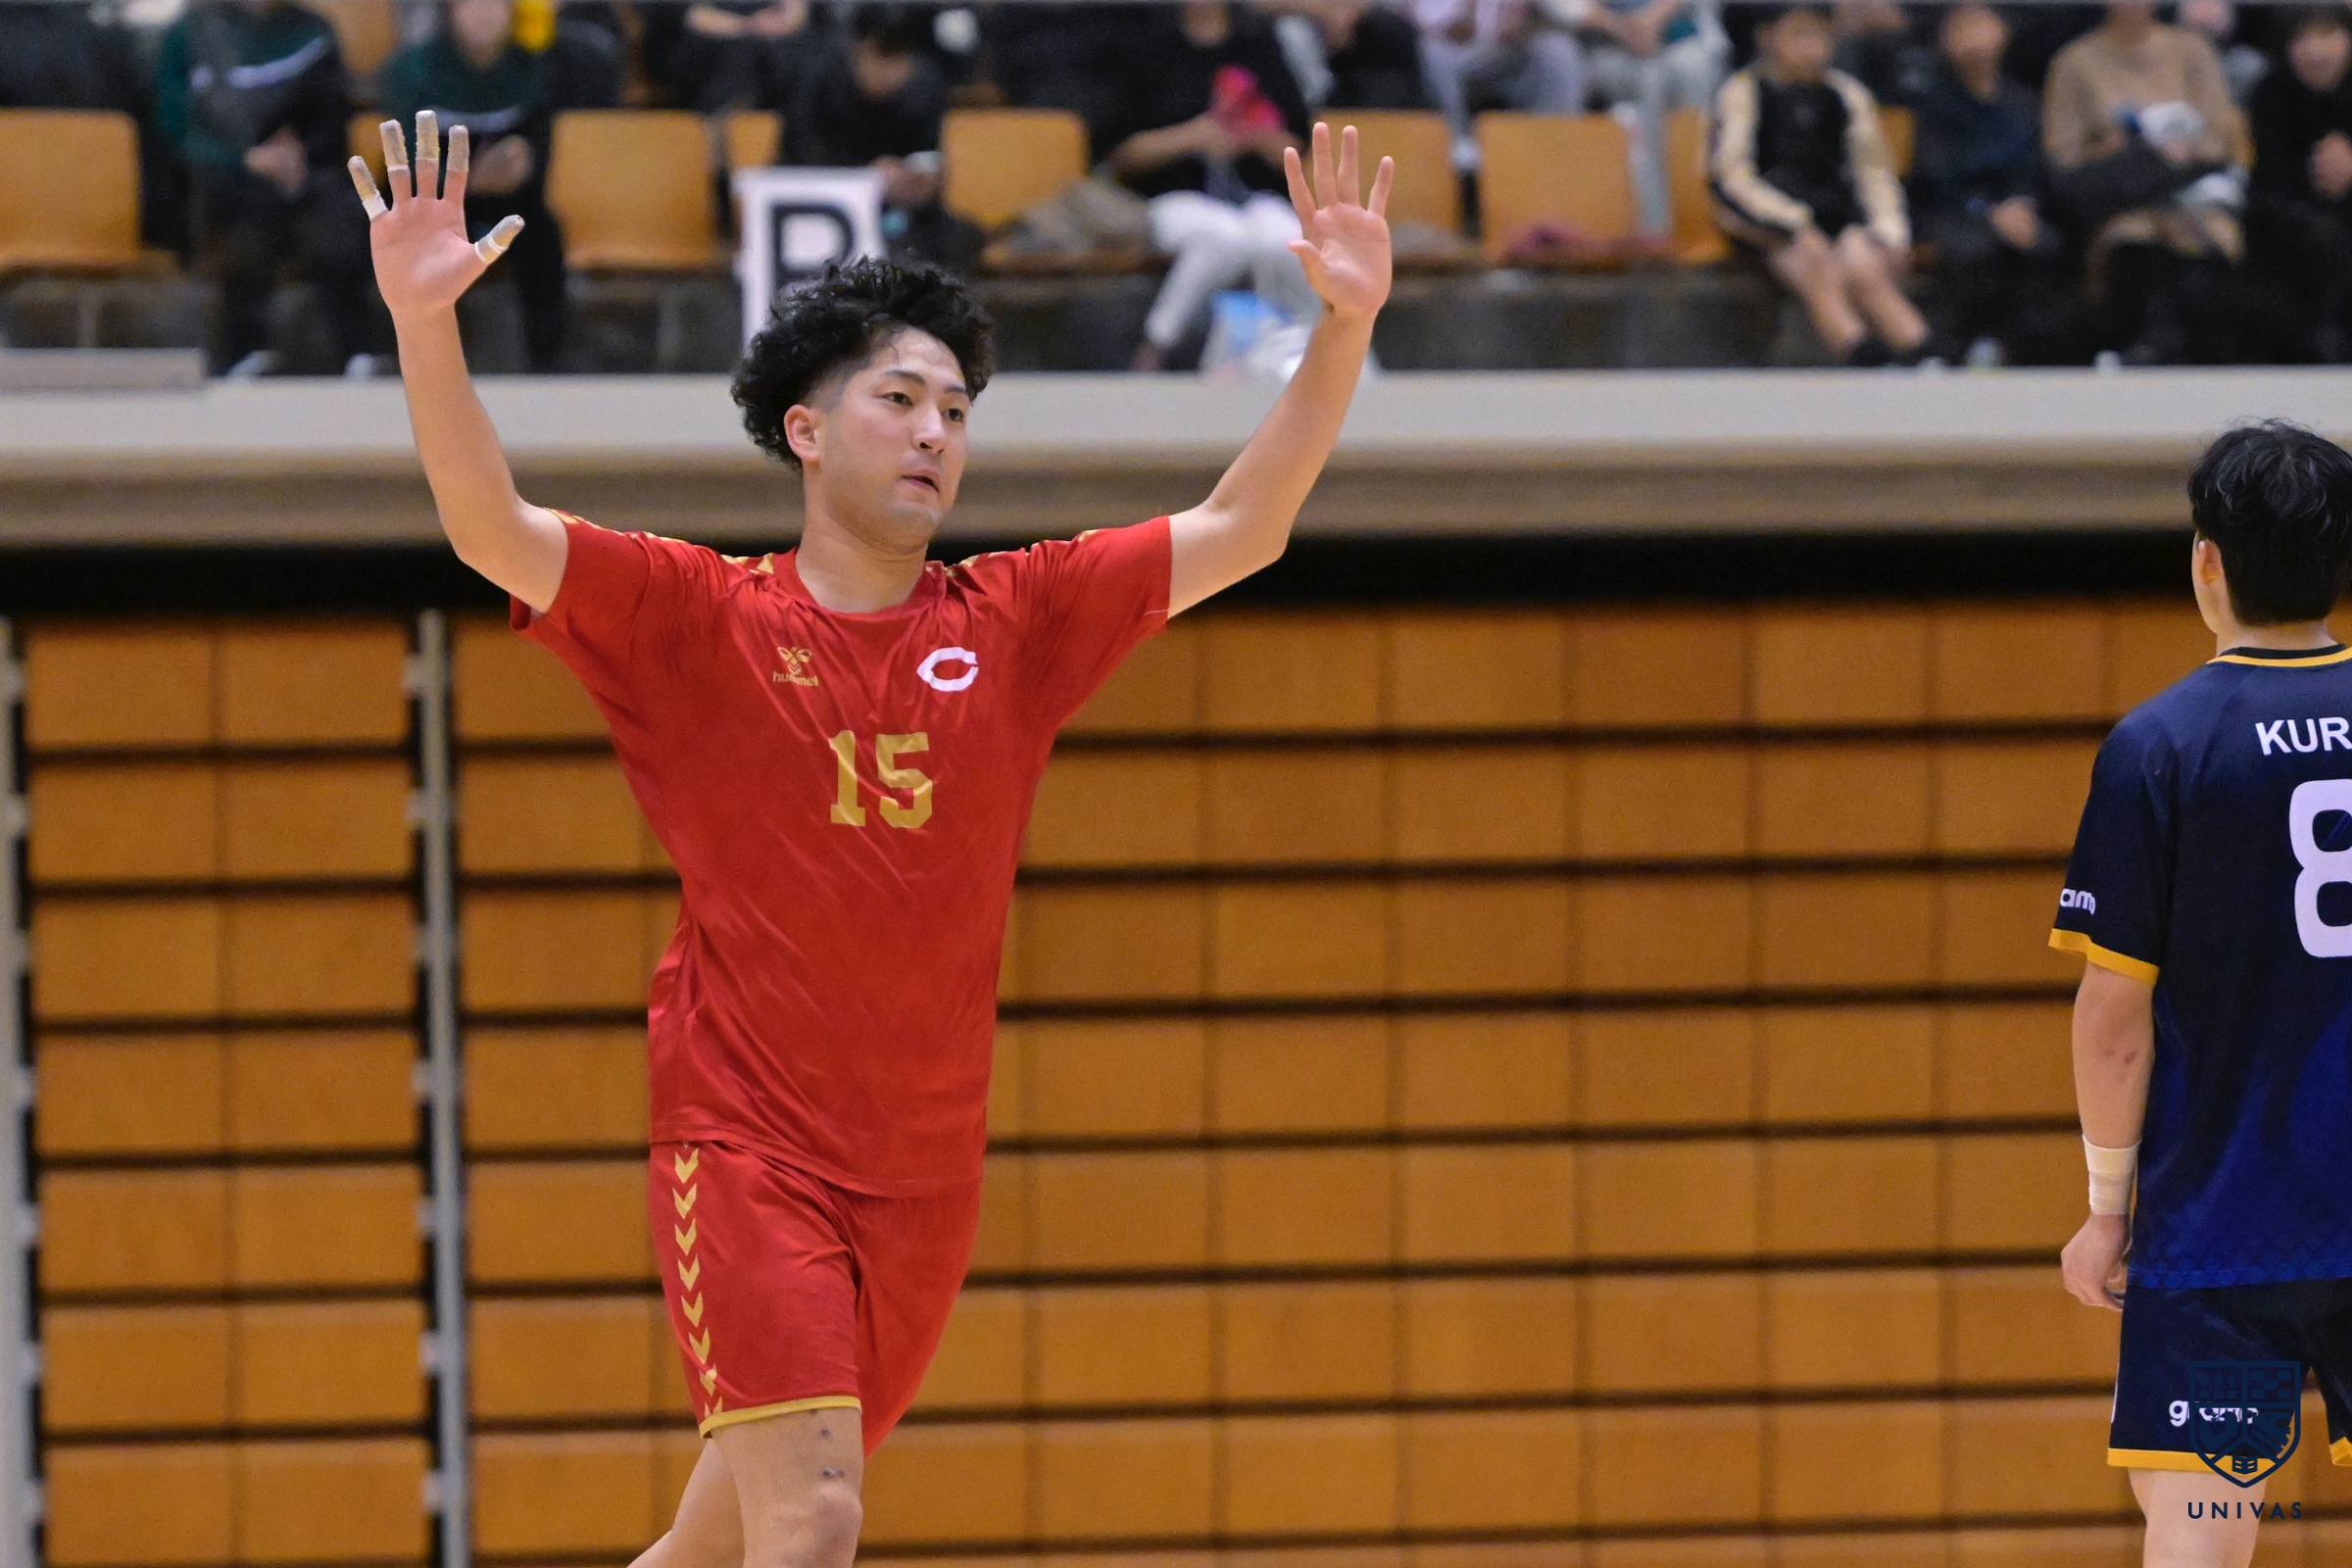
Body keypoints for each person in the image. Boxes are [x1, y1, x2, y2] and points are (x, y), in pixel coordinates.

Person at [348, 112, 1393, 1566]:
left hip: (924, 1178)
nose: (934, 432)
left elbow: (1245, 524)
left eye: (956, 409)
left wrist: (1343, 325)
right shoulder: (695, 617)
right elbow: (488, 525)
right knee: (819, 1518)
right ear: (808, 428)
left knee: (713, 1551)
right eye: (900, 399)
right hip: (747, 1145)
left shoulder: (1018, 619)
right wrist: (422, 323)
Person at [2053, 418, 2352, 1568]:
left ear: (2207, 561)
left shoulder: (2161, 748)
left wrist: (2106, 1208)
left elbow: (2113, 1023)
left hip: (2226, 1233)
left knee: (2202, 1533)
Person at [155, 0, 381, 377]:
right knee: (245, 234)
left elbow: (333, 118)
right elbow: (174, 128)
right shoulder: (188, 35)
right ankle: (244, 355)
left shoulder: (312, 32)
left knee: (340, 224)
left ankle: (358, 353)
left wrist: (300, 159)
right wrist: (243, 159)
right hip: (222, 180)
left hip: (303, 175)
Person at [1099, 0, 1320, 368]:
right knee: (1222, 238)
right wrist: (1193, 136)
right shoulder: (1146, 50)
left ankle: (1322, 350)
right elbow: (1121, 155)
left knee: (1289, 243)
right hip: (1175, 196)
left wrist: (1251, 136)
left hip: (1255, 196)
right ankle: (1157, 345)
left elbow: (1295, 147)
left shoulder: (1260, 49)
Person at [1708, 3, 1928, 364]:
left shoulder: (1846, 94)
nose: (1811, 48)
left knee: (1864, 265)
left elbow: (1873, 173)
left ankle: (1926, 356)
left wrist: (1888, 232)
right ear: (1766, 38)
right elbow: (1732, 176)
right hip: (1767, 225)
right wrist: (1793, 222)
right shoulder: (1744, 92)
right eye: (1798, 35)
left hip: (1837, 218)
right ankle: (1867, 359)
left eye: (1821, 36)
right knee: (1813, 265)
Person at [377, 0, 579, 372]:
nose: (484, 13)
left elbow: (538, 147)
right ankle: (410, 359)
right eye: (471, 4)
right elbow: (402, 154)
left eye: (495, 4)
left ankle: (549, 362)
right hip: (430, 203)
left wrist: (522, 164)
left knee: (542, 235)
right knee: (404, 237)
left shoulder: (533, 70)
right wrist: (463, 181)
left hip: (506, 200)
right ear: (450, 12)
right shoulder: (411, 69)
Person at [2042, 0, 2246, 364]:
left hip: (2191, 190)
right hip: (2120, 199)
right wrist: (2116, 150)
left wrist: (2182, 149)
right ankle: (2137, 352)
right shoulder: (2074, 61)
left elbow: (2220, 137)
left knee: (2207, 244)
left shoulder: (2192, 51)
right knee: (2134, 243)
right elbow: (2063, 158)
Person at [1907, 2, 2077, 363]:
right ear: (1945, 40)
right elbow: (1934, 177)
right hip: (1955, 211)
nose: (1975, 41)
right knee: (1974, 248)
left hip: (2016, 209)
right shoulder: (1934, 104)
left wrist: (2022, 205)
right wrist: (1988, 211)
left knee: (2047, 243)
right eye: (1962, 29)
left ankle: (2029, 354)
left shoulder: (2022, 102)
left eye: (1982, 26)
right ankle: (1960, 349)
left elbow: (2034, 169)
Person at [2245, 4, 2352, 362]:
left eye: (2327, 33)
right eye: (2302, 37)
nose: (2316, 50)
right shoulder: (2271, 94)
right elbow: (2267, 182)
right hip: (2292, 222)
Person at [1574, 0, 1727, 237]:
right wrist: (1623, 28)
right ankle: (1657, 227)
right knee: (1650, 81)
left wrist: (1650, 20)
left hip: (1681, 43)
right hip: (1607, 51)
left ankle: (1699, 213)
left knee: (1692, 71)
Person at [1411, 0, 1585, 170]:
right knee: (1432, 50)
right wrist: (1451, 23)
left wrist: (1529, 25)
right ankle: (1456, 139)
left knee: (1559, 48)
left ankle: (1556, 143)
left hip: (1514, 55)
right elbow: (1420, 17)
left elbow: (1571, 15)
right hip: (1457, 53)